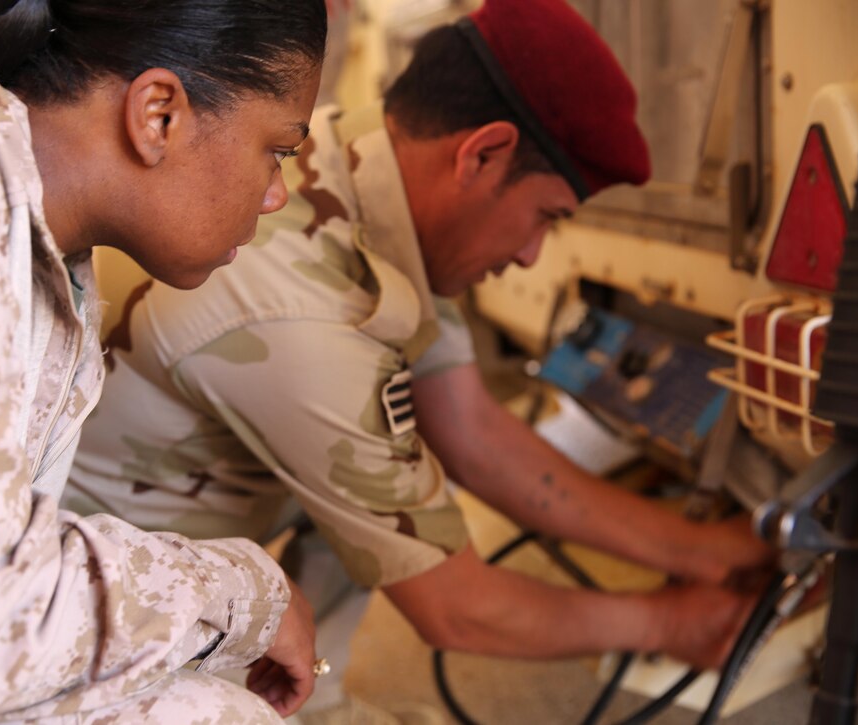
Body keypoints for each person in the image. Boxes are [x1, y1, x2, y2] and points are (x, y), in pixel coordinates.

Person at [67, 0, 774, 719]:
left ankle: (320, 697)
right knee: (384, 503)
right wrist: (678, 625)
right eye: (546, 216)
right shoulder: (300, 297)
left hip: (186, 544)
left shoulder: (361, 175)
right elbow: (456, 606)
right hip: (97, 608)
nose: (532, 253)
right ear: (483, 153)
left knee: (394, 490)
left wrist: (702, 551)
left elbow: (473, 432)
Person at [0, 1, 327, 723]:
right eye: (279, 149)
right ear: (159, 114)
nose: (276, 194)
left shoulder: (54, 272)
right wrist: (241, 595)